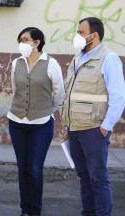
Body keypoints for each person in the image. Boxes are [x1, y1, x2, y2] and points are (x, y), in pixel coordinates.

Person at [61, 17, 125, 216]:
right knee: (84, 176)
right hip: (74, 129)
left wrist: (105, 127)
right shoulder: (77, 58)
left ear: (94, 35)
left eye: (81, 32)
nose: (77, 36)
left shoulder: (109, 59)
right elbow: (69, 94)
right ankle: (88, 212)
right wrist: (66, 126)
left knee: (98, 178)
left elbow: (119, 97)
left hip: (94, 130)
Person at [7, 27, 65, 216]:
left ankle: (36, 210)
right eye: (20, 39)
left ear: (37, 42)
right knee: (22, 167)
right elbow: (15, 89)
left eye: (26, 39)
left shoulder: (51, 63)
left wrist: (47, 110)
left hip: (41, 123)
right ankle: (25, 209)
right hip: (16, 121)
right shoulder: (16, 63)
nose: (22, 43)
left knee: (34, 168)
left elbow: (58, 94)